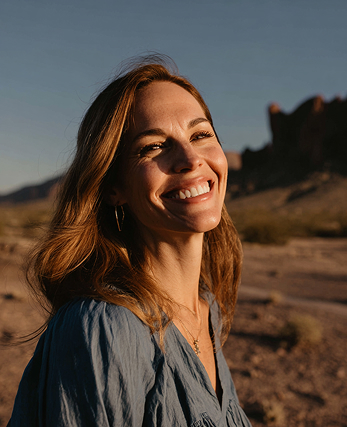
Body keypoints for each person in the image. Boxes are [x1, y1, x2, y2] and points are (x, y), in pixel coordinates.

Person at [8, 56, 251, 426]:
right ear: (113, 189)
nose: (189, 159)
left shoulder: (207, 307)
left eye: (201, 135)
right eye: (153, 147)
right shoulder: (104, 330)